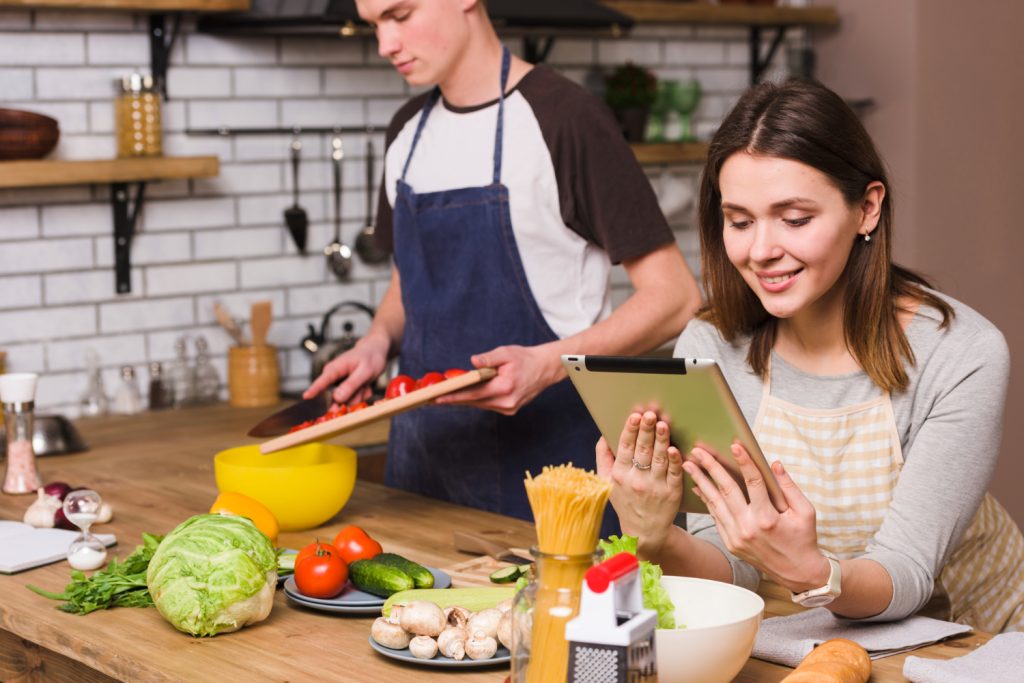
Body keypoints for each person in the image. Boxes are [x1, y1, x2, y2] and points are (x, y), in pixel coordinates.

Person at [598, 78, 1024, 633]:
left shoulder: (961, 353)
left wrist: (809, 571)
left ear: (867, 208)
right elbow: (733, 567)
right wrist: (656, 536)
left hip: (974, 638)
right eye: (740, 221)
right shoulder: (711, 345)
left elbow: (909, 571)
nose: (761, 251)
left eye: (795, 219)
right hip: (815, 638)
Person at [305, 0, 700, 524]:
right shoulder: (405, 132)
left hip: (554, 474)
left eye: (400, 16)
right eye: (374, 24)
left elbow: (674, 298)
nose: (385, 44)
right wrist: (378, 341)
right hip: (423, 473)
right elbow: (410, 281)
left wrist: (547, 364)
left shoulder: (565, 118)